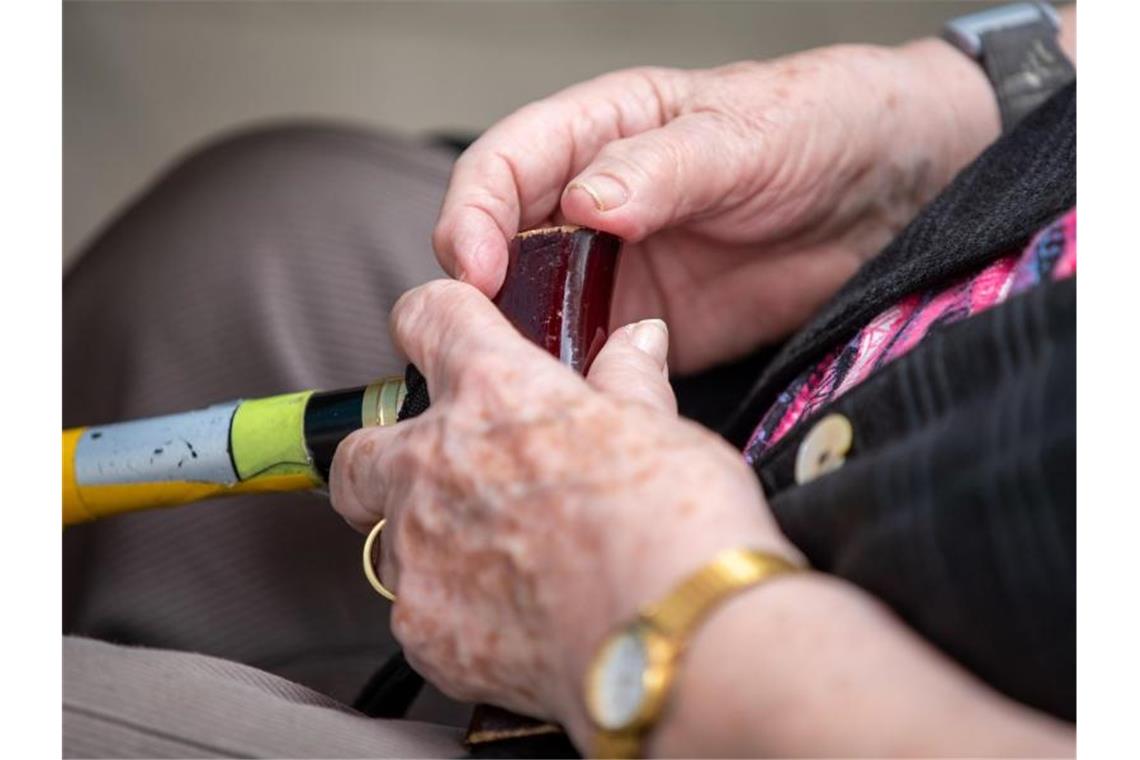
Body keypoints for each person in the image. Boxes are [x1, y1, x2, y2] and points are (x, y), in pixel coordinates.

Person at [63, 3, 1076, 757]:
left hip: (773, 692)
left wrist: (663, 625)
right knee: (232, 249)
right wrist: (964, 102)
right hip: (835, 329)